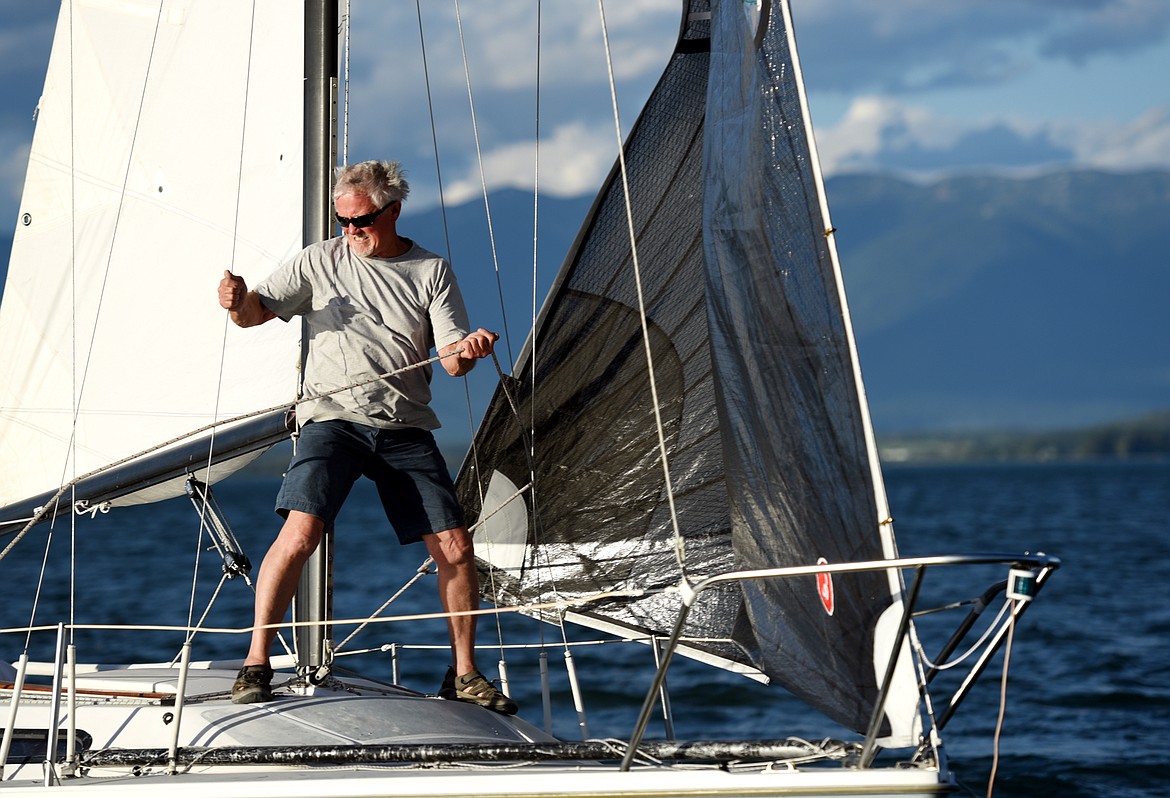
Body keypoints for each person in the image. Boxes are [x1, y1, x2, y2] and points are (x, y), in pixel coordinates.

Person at [217, 159, 516, 714]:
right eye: (343, 222)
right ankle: (256, 663)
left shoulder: (431, 271)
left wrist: (469, 349)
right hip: (331, 418)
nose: (350, 232)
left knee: (455, 545)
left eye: (361, 222)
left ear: (394, 211)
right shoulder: (318, 261)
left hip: (404, 426)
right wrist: (237, 303)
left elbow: (451, 363)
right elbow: (257, 313)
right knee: (301, 532)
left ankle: (465, 674)